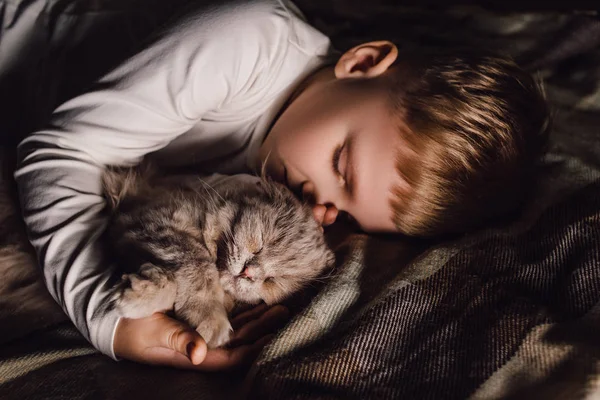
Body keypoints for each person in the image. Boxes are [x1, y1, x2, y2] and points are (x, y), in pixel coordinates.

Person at [14, 0, 549, 371]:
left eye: (348, 214)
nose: (320, 202)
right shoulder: (246, 42)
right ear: (361, 63)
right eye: (342, 165)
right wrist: (108, 318)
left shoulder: (284, 176)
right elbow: (60, 151)